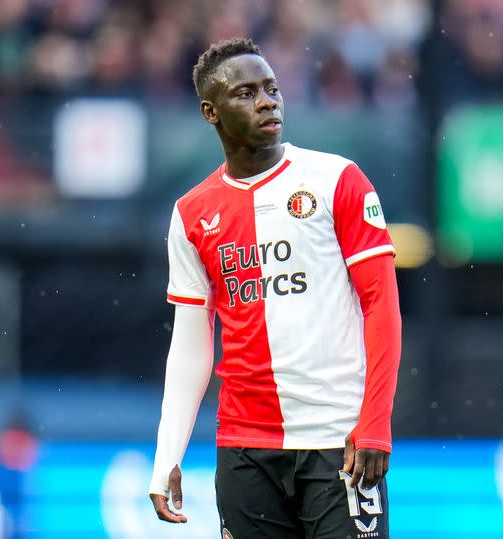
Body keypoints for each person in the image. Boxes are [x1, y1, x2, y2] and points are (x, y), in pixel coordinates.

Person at [148, 37, 402, 539]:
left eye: (272, 88)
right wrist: (167, 455)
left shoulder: (338, 180)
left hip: (338, 440)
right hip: (244, 449)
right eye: (245, 93)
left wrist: (375, 422)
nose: (267, 101)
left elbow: (382, 306)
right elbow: (190, 346)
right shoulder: (191, 214)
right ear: (210, 112)